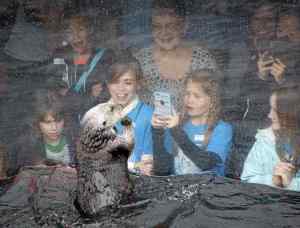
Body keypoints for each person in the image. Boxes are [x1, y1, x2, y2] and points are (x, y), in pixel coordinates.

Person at [134, 0, 217, 111]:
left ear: (184, 26)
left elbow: (214, 103)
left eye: (170, 26)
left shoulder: (202, 60)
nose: (164, 32)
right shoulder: (140, 60)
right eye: (157, 26)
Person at [81, 51, 153, 175]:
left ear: (139, 83)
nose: (121, 88)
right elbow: (90, 160)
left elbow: (148, 167)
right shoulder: (95, 115)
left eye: (128, 83)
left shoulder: (150, 116)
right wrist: (134, 165)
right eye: (115, 82)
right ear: (107, 84)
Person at [151, 70, 232, 176]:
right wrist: (157, 131)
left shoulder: (222, 129)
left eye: (197, 96)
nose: (189, 100)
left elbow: (205, 163)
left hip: (208, 190)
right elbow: (161, 169)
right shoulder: (177, 124)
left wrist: (176, 131)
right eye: (187, 94)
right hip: (177, 188)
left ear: (212, 101)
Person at [241, 86, 300, 191]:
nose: (269, 115)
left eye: (275, 110)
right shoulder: (265, 139)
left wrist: (291, 183)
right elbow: (247, 179)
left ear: (293, 114)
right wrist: (274, 180)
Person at [7, 89, 76, 176]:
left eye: (58, 121)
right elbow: (12, 174)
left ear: (64, 120)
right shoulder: (26, 147)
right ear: (37, 123)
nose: (54, 128)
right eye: (47, 122)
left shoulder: (75, 142)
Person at [51, 15, 115, 105]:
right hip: (66, 117)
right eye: (70, 32)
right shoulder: (59, 56)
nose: (76, 36)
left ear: (89, 31)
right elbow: (55, 93)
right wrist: (90, 95)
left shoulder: (105, 57)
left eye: (80, 29)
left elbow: (107, 94)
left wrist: (69, 95)